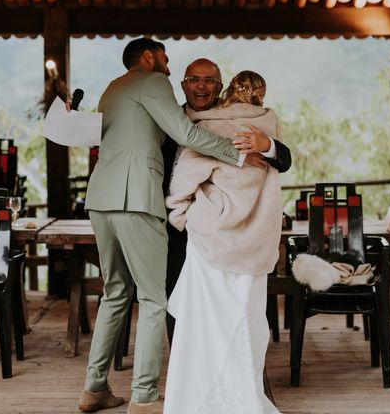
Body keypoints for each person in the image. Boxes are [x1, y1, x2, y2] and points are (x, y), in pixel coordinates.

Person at [78, 38, 257, 414]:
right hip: (136, 199)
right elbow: (187, 134)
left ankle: (94, 389)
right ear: (148, 56)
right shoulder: (152, 82)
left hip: (100, 199)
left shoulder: (113, 88)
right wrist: (237, 153)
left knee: (114, 294)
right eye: (165, 57)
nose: (169, 67)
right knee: (154, 299)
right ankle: (144, 396)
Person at [164, 71, 283, 413]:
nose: (201, 86)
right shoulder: (267, 124)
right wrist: (267, 144)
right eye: (194, 79)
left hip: (209, 238)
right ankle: (242, 392)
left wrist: (182, 217)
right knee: (247, 321)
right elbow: (279, 162)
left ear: (224, 88)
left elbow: (182, 183)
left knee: (202, 323)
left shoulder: (206, 126)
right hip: (254, 240)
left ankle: (197, 396)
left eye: (209, 81)